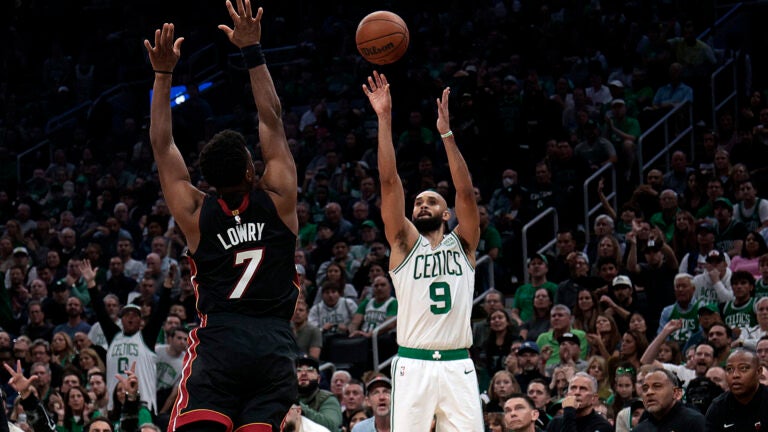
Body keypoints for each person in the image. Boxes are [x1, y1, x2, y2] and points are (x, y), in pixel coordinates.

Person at [144, 2, 301, 430]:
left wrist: (162, 75)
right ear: (253, 171)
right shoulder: (279, 197)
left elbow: (162, 146)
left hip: (220, 343)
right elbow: (272, 118)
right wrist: (252, 51)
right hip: (273, 344)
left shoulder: (196, 211)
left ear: (208, 182)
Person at [363, 71, 483, 431]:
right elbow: (388, 181)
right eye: (417, 202)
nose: (422, 205)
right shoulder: (402, 244)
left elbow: (465, 193)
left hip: (458, 363)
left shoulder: (464, 244)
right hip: (413, 364)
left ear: (446, 214)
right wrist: (384, 119)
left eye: (431, 201)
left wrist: (446, 134)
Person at [705, 349, 768, 431]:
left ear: (758, 372)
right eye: (729, 369)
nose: (735, 375)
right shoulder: (718, 407)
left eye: (743, 368)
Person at [634, 368, 705, 431]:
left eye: (657, 386)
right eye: (645, 389)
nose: (649, 392)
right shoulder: (640, 429)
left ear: (676, 393)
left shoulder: (695, 423)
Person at [545, 372, 612, 432]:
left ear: (594, 398)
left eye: (583, 389)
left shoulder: (602, 426)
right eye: (573, 388)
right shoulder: (555, 423)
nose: (577, 393)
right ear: (567, 395)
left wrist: (569, 412)